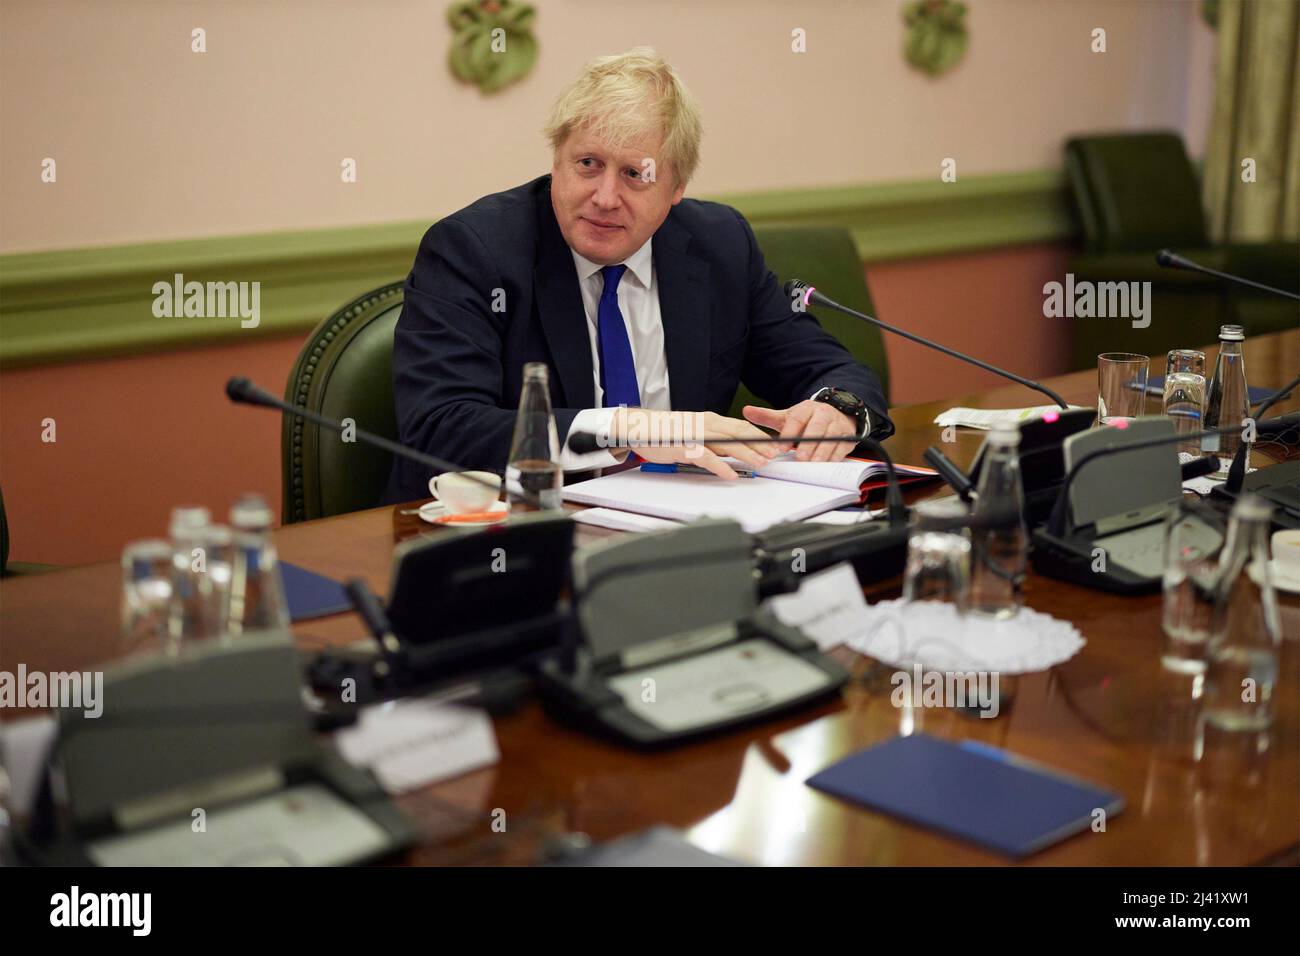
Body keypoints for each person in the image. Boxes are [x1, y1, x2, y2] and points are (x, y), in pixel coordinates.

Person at [385, 48, 892, 503]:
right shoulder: (475, 250)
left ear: (676, 187)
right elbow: (440, 427)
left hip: (679, 532)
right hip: (514, 541)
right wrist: (625, 428)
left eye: (635, 174)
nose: (605, 197)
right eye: (587, 163)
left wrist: (836, 410)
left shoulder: (719, 245)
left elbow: (831, 371)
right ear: (556, 161)